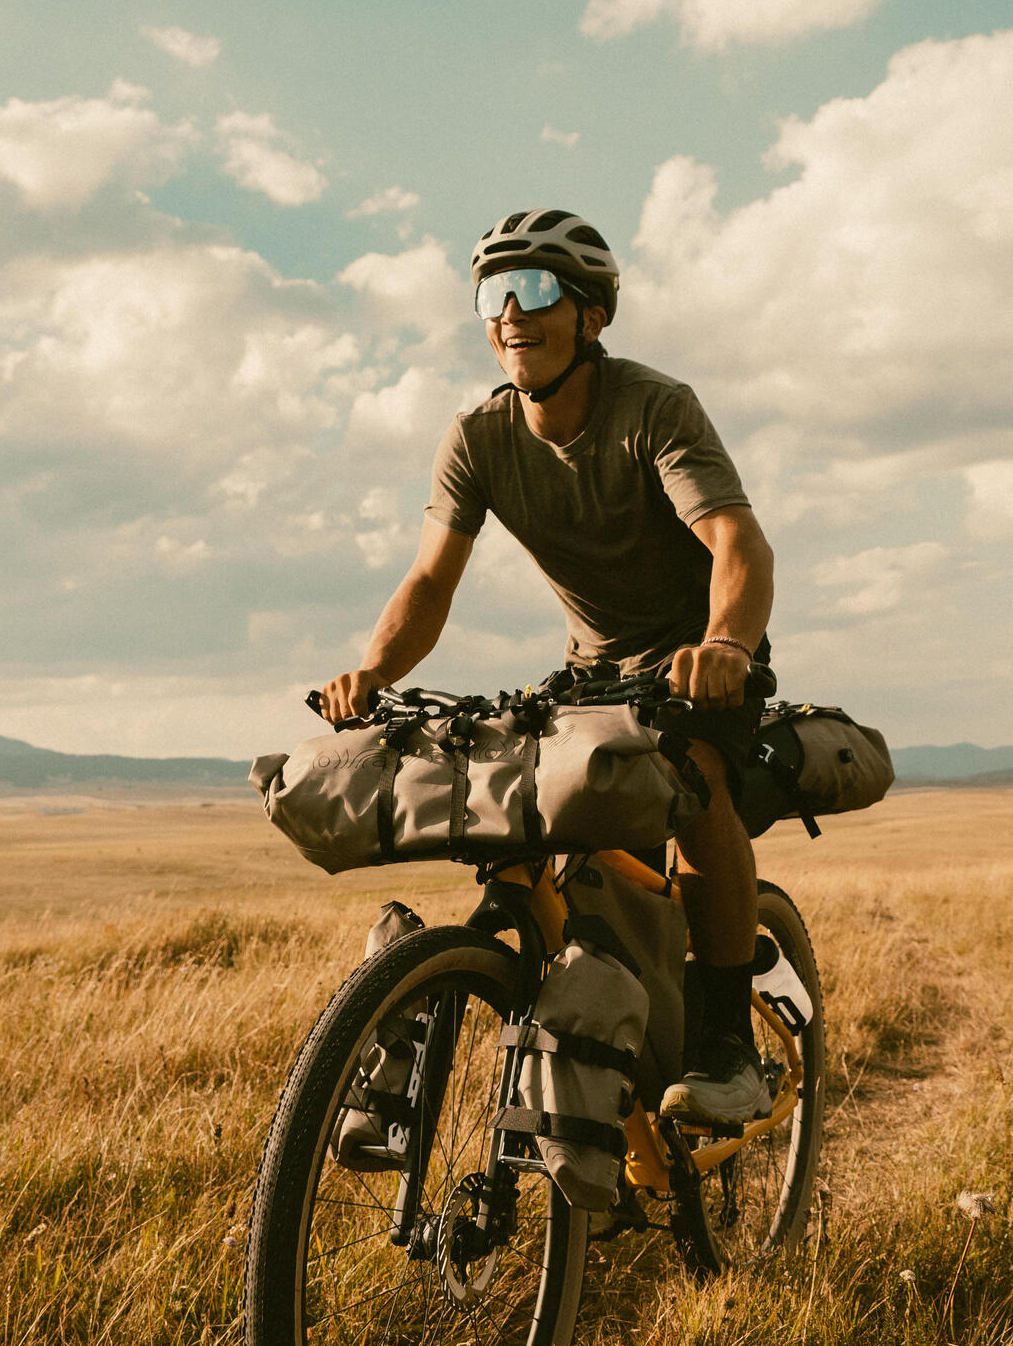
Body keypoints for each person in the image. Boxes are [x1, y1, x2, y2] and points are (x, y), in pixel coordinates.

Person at [316, 208, 781, 1122]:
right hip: (593, 668)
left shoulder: (654, 408)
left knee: (698, 790)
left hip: (697, 655)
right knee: (530, 833)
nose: (510, 314)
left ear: (592, 316)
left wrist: (725, 645)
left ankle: (730, 1040)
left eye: (535, 291)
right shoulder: (478, 440)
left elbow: (737, 539)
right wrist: (371, 671)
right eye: (493, 295)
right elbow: (429, 580)